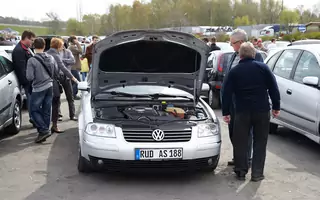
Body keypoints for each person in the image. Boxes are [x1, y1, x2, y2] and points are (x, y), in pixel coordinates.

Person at [221, 42, 280, 181]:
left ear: (240, 55)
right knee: (260, 141)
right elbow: (273, 88)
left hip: (242, 112)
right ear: (254, 54)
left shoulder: (234, 71)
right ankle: (257, 173)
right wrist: (276, 107)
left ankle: (241, 171)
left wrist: (226, 112)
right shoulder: (263, 68)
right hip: (261, 111)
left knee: (240, 141)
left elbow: (226, 93)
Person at [222, 29, 264, 167]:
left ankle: (247, 158)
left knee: (246, 132)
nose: (231, 45)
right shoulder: (232, 56)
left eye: (232, 43)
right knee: (233, 130)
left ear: (240, 43)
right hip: (232, 101)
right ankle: (238, 157)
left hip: (246, 102)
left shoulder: (256, 57)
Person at [26, 37, 56, 143]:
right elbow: (55, 71)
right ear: (44, 46)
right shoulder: (51, 58)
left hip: (38, 88)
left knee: (34, 110)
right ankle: (44, 131)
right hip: (50, 86)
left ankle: (43, 130)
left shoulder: (32, 60)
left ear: (34, 46)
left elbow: (29, 77)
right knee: (47, 110)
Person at [47, 38, 79, 133]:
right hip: (56, 79)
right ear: (58, 46)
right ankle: (54, 124)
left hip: (61, 78)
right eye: (61, 45)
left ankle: (70, 115)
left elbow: (72, 61)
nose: (62, 47)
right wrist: (73, 78)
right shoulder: (55, 55)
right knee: (56, 100)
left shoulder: (49, 53)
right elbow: (62, 67)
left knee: (68, 97)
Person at [12, 30, 36, 127]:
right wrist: (29, 81)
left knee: (33, 100)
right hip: (28, 82)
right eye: (31, 40)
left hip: (31, 80)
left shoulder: (26, 48)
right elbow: (22, 69)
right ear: (26, 38)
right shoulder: (19, 50)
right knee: (31, 100)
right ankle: (33, 119)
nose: (32, 42)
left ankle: (34, 118)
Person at [59, 45, 77, 121]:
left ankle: (72, 115)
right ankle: (58, 115)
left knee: (70, 96)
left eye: (62, 44)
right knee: (56, 97)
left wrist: (62, 60)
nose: (62, 46)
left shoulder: (68, 52)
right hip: (58, 76)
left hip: (67, 77)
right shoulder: (55, 53)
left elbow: (73, 61)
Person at [68, 36, 82, 100]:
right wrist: (78, 43)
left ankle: (71, 95)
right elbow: (80, 51)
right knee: (77, 81)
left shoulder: (71, 47)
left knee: (73, 82)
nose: (76, 40)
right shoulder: (72, 47)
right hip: (73, 67)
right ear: (73, 40)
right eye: (75, 39)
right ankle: (73, 95)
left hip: (73, 67)